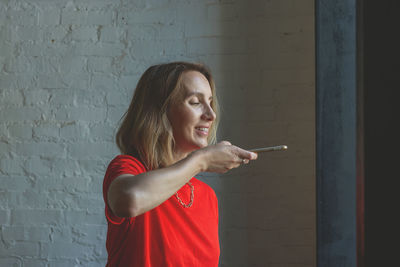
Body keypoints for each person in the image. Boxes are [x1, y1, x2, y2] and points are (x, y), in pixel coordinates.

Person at [102, 62, 258, 266]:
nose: (211, 115)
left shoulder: (207, 197)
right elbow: (129, 200)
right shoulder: (129, 169)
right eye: (195, 102)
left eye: (210, 102)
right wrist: (201, 160)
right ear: (160, 112)